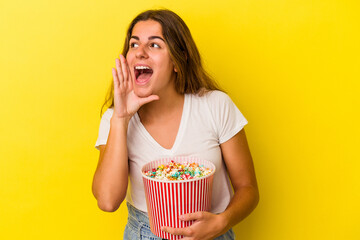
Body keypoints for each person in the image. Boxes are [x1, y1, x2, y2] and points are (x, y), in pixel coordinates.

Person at [92, 9, 259, 240]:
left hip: (214, 233)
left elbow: (248, 188)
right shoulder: (115, 118)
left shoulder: (215, 106)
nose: (140, 52)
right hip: (144, 233)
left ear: (178, 62)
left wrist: (221, 222)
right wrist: (121, 119)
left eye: (155, 45)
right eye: (134, 44)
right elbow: (107, 201)